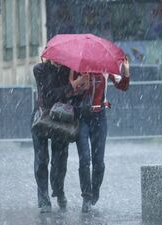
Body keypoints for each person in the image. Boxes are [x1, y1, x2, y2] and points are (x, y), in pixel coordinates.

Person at [71, 57, 130, 213]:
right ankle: (86, 197)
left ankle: (95, 190)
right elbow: (69, 89)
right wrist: (79, 82)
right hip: (82, 117)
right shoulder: (77, 67)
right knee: (84, 159)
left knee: (99, 163)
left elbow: (123, 86)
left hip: (99, 117)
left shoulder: (105, 66)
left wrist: (126, 71)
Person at [31, 59, 89, 213]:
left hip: (61, 119)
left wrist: (81, 88)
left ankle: (58, 191)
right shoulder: (39, 69)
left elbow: (72, 97)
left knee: (60, 161)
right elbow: (50, 95)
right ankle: (43, 198)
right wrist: (73, 85)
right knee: (41, 159)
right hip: (42, 118)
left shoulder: (69, 70)